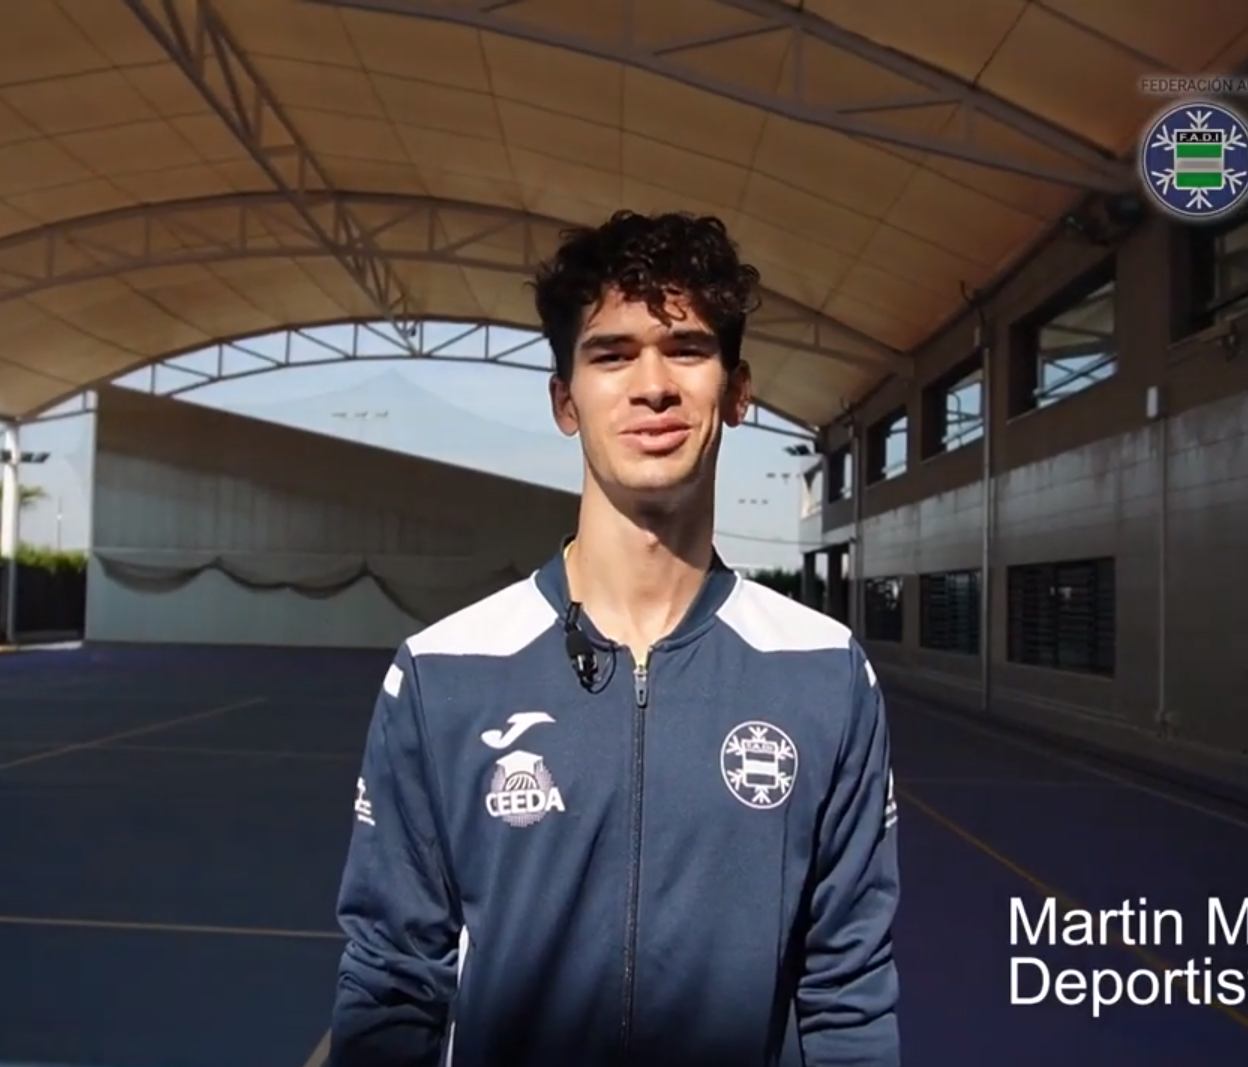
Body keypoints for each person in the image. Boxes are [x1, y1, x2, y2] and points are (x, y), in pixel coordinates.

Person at [329, 210, 901, 1067]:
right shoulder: (443, 673)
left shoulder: (824, 673)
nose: (653, 385)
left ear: (737, 392)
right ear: (565, 400)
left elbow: (848, 989)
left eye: (687, 349)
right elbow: (391, 984)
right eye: (612, 354)